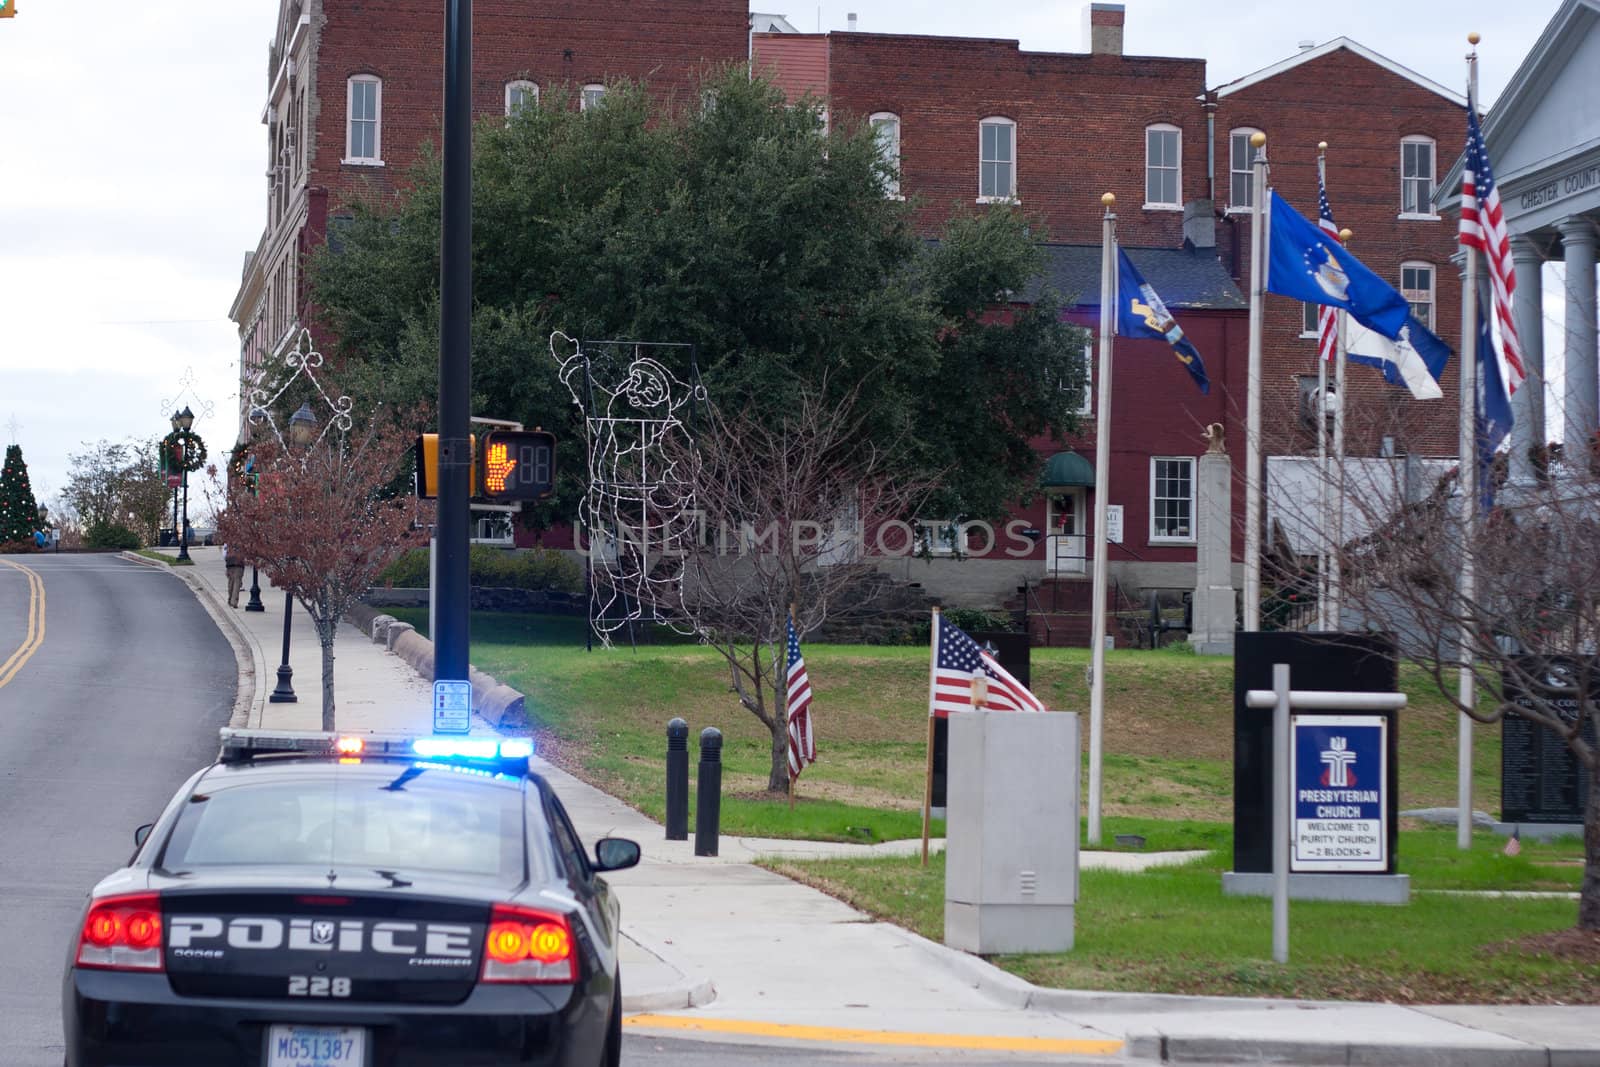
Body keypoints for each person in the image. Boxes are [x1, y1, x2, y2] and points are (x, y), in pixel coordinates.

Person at [224, 541, 246, 608]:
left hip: (230, 565)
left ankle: (230, 599)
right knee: (237, 583)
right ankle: (234, 601)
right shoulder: (243, 542)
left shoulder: (228, 542)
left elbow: (224, 554)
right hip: (239, 565)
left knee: (231, 583)